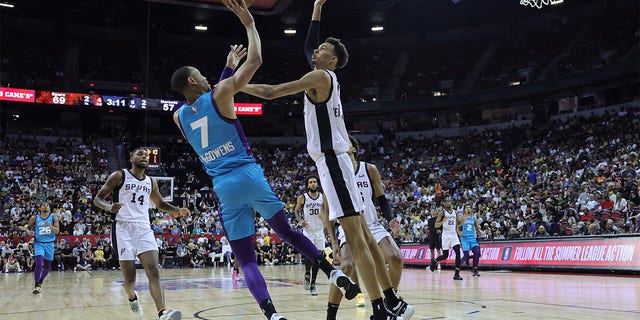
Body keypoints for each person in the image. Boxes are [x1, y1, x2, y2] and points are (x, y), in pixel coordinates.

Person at [169, 1, 359, 319]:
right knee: (287, 232)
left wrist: (227, 71)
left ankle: (272, 314)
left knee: (246, 261)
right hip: (248, 174)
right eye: (200, 76)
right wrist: (249, 24)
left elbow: (211, 101)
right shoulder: (219, 93)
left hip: (223, 187)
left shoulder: (178, 117)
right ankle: (333, 272)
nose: (205, 78)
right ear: (192, 82)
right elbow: (252, 62)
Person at [241, 1, 413, 319]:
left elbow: (272, 91)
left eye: (321, 50)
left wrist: (235, 86)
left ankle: (380, 309)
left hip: (333, 162)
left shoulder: (321, 77)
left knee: (356, 238)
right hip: (335, 162)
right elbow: (309, 44)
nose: (314, 51)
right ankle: (389, 301)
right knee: (359, 234)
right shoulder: (327, 78)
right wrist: (317, 7)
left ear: (330, 59)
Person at [94, 148, 190, 320]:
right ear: (131, 158)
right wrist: (109, 207)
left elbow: (160, 203)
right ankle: (132, 297)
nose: (144, 157)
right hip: (123, 228)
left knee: (153, 270)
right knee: (129, 279)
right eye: (140, 154)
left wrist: (178, 210)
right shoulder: (119, 176)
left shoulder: (151, 182)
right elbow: (98, 198)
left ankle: (162, 312)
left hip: (144, 228)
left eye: (146, 155)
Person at [322, 136, 407, 320]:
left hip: (373, 225)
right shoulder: (334, 173)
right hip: (349, 227)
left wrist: (391, 219)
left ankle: (388, 304)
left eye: (346, 144)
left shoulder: (369, 169)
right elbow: (327, 211)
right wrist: (334, 242)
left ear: (354, 149)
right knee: (346, 266)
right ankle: (331, 315)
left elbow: (381, 199)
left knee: (395, 257)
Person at [294, 176, 326, 296]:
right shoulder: (303, 198)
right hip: (308, 230)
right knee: (309, 254)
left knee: (318, 258)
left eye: (314, 182)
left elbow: (327, 211)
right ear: (307, 185)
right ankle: (307, 273)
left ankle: (313, 284)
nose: (312, 184)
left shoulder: (323, 197)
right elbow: (296, 211)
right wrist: (300, 221)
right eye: (310, 182)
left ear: (317, 184)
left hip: (319, 230)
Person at [27, 202, 59, 294]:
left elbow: (57, 232)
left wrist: (50, 226)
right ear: (40, 208)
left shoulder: (54, 217)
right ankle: (36, 285)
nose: (45, 206)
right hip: (39, 243)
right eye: (43, 205)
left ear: (49, 208)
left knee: (47, 267)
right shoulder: (34, 218)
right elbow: (28, 228)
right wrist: (28, 232)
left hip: (50, 244)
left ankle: (40, 281)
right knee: (39, 263)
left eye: (47, 205)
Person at [430, 199, 463, 280]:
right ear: (443, 204)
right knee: (445, 255)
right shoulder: (442, 212)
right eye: (445, 202)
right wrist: (442, 221)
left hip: (454, 235)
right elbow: (436, 225)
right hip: (446, 235)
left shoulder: (455, 212)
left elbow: (458, 223)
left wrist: (462, 221)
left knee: (458, 253)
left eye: (449, 201)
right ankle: (435, 261)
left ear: (451, 202)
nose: (447, 203)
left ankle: (457, 273)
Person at [459, 205, 483, 277]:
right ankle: (457, 266)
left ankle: (475, 269)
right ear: (464, 210)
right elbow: (456, 226)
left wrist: (480, 233)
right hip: (465, 239)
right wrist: (459, 232)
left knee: (477, 253)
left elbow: (477, 227)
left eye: (469, 207)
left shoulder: (474, 218)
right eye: (466, 207)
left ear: (471, 209)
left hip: (472, 239)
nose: (468, 208)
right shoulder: (462, 218)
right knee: (466, 255)